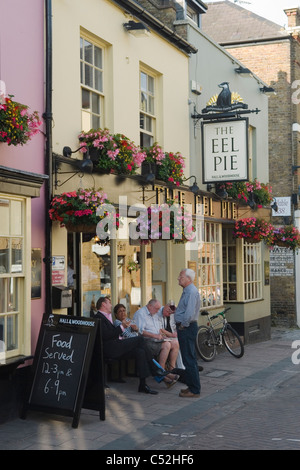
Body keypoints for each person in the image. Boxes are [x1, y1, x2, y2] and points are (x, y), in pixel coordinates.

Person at [93, 296, 164, 394]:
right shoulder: (98, 317)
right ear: (103, 304)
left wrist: (127, 328)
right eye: (109, 303)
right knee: (140, 339)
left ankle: (143, 385)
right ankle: (154, 367)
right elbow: (106, 335)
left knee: (140, 351)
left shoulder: (107, 317)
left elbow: (112, 333)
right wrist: (122, 327)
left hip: (116, 346)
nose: (111, 304)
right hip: (110, 349)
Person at [133, 299, 179, 387]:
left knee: (174, 342)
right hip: (144, 340)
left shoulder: (154, 313)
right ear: (150, 306)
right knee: (166, 345)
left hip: (156, 339)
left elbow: (158, 329)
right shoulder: (141, 314)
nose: (158, 311)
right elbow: (140, 331)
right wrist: (155, 336)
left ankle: (171, 369)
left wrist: (162, 335)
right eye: (157, 309)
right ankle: (162, 373)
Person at [175, 268, 201, 398]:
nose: (178, 278)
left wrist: (182, 326)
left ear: (188, 279)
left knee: (189, 359)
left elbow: (190, 313)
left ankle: (195, 389)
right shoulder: (187, 290)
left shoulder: (191, 292)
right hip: (186, 327)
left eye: (181, 276)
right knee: (187, 358)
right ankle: (191, 386)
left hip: (187, 327)